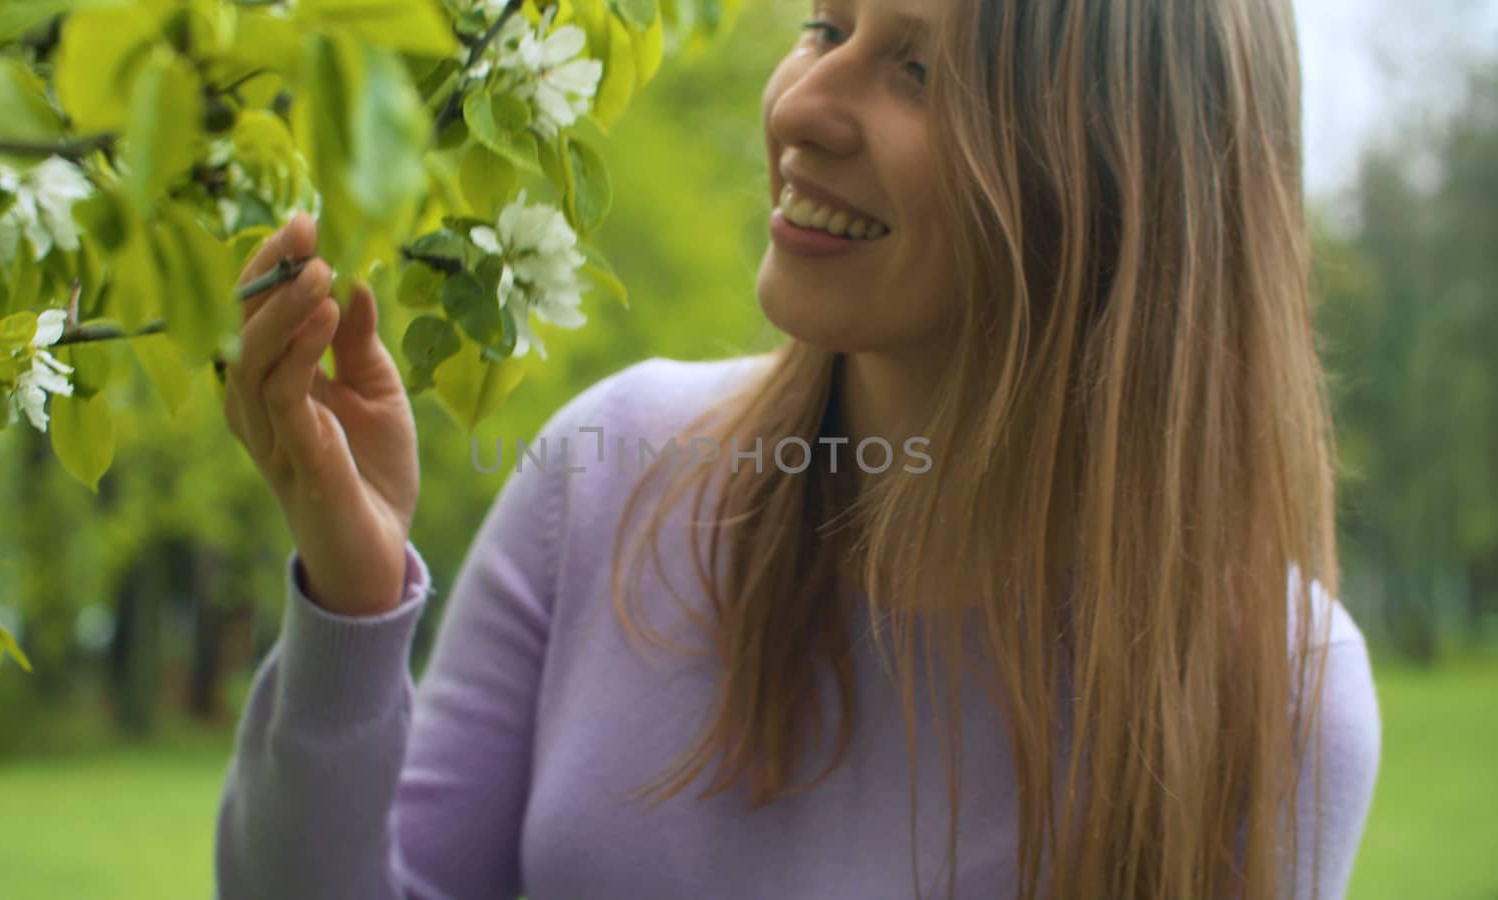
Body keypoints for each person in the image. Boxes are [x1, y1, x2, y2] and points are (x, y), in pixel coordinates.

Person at [214, 0, 1382, 897]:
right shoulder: (610, 470)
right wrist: (351, 607)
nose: (800, 104)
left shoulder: (1270, 693)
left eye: (915, 69)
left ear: (1109, 176)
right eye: (824, 26)